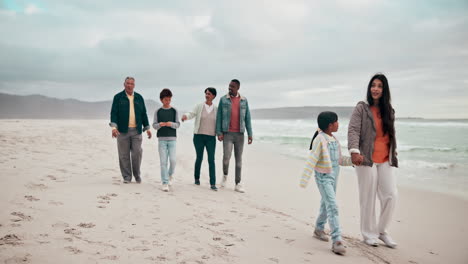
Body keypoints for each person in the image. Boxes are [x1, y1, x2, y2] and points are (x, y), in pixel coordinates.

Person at [348, 73, 399, 248]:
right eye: (373, 85)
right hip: (366, 159)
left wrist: (394, 152)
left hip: (385, 159)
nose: (375, 89)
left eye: (379, 86)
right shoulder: (362, 108)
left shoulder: (389, 110)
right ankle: (368, 233)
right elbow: (353, 130)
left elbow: (390, 134)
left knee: (391, 195)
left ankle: (381, 231)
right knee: (368, 197)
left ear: (384, 90)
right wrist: (354, 151)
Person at [300, 111, 358, 255]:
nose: (339, 124)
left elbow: (339, 160)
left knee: (326, 204)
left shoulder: (334, 140)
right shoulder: (319, 139)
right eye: (337, 121)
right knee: (333, 206)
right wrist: (304, 179)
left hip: (334, 177)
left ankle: (319, 229)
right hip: (323, 178)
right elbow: (312, 160)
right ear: (330, 125)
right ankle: (337, 240)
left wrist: (352, 160)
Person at [109, 76, 152, 184]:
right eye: (127, 83)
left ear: (134, 85)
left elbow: (143, 114)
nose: (129, 85)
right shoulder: (118, 97)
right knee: (123, 155)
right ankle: (127, 177)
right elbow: (113, 113)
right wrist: (114, 128)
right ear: (124, 84)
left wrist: (147, 128)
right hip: (122, 131)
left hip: (136, 131)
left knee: (137, 153)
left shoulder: (139, 98)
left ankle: (137, 175)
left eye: (131, 84)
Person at [215, 79, 253, 193]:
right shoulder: (223, 100)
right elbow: (219, 117)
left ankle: (238, 183)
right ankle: (225, 176)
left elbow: (247, 118)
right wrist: (219, 132)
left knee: (239, 160)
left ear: (238, 88)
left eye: (232, 87)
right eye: (229, 86)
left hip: (240, 134)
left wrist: (250, 133)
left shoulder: (244, 101)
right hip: (227, 133)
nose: (230, 88)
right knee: (226, 158)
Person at [182, 87, 218, 191]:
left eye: (209, 94)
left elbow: (219, 121)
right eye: (206, 93)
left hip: (211, 137)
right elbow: (191, 113)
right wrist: (186, 116)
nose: (207, 95)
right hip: (198, 136)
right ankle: (196, 178)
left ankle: (212, 183)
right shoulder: (199, 106)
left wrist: (220, 133)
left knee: (211, 159)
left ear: (214, 96)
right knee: (199, 157)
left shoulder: (216, 109)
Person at [153, 88, 180, 192]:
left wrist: (171, 124)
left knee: (173, 161)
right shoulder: (158, 111)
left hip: (172, 139)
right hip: (161, 140)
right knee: (163, 162)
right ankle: (165, 182)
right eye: (165, 100)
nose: (168, 101)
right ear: (161, 100)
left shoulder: (174, 111)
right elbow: (154, 126)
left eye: (169, 99)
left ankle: (170, 175)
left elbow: (178, 124)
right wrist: (159, 125)